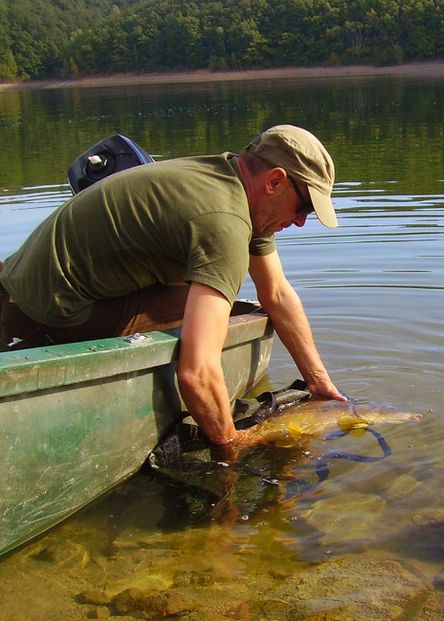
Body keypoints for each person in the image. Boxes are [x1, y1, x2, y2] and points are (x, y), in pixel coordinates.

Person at [0, 124, 345, 455]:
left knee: (215, 296)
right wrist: (233, 441)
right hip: (47, 310)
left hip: (17, 281)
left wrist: (319, 383)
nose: (301, 221)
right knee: (219, 312)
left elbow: (277, 294)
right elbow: (196, 373)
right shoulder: (224, 223)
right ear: (275, 181)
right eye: (304, 207)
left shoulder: (230, 181)